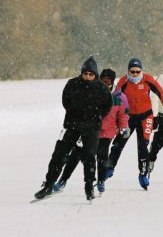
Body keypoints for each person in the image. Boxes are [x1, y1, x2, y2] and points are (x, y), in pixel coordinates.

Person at [34, 56, 113, 201]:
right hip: (72, 125)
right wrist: (73, 113)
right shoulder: (72, 84)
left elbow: (108, 105)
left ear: (95, 75)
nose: (88, 76)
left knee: (89, 157)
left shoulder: (101, 87)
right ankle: (49, 184)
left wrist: (97, 116)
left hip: (92, 128)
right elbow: (65, 101)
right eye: (85, 74)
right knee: (59, 155)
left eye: (91, 74)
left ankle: (89, 186)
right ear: (81, 73)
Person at [53, 68, 129, 194]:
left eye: (108, 81)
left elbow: (123, 114)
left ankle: (101, 180)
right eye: (103, 80)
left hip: (106, 132)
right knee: (76, 155)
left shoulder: (120, 97)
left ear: (112, 82)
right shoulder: (92, 90)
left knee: (102, 156)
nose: (105, 83)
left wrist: (123, 127)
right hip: (88, 130)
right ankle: (63, 180)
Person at [106, 58, 163, 190]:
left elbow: (160, 92)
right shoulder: (123, 81)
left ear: (141, 71)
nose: (134, 74)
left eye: (137, 72)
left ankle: (143, 173)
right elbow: (114, 98)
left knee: (143, 146)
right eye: (132, 72)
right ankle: (109, 167)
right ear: (128, 71)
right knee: (119, 142)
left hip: (145, 116)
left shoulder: (148, 79)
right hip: (128, 117)